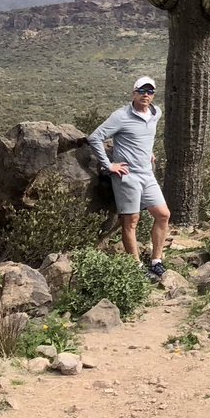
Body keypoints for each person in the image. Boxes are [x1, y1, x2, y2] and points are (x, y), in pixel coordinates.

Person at [88, 76, 171, 280]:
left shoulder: (155, 113)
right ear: (133, 93)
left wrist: (148, 152)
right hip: (128, 175)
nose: (145, 95)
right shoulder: (121, 116)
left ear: (153, 95)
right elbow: (95, 137)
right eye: (141, 91)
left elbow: (146, 136)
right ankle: (135, 267)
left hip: (147, 173)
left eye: (149, 91)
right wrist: (108, 165)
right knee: (131, 220)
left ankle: (156, 261)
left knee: (163, 214)